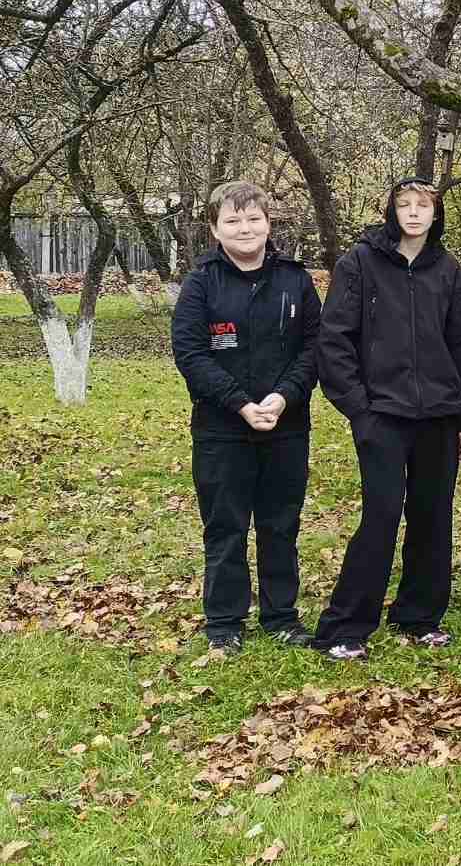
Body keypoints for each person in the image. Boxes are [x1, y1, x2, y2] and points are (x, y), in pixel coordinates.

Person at [313, 177, 461, 661]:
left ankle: (419, 616)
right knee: (381, 516)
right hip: (381, 414)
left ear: (436, 214)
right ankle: (345, 626)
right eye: (404, 205)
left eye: (423, 206)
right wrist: (358, 409)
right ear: (391, 212)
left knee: (432, 517)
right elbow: (335, 340)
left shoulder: (447, 270)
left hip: (439, 417)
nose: (413, 213)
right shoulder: (359, 263)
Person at [172, 181, 321, 654]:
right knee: (225, 526)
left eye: (253, 218)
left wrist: (284, 396)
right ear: (215, 228)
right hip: (221, 430)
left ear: (268, 224)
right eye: (233, 221)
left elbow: (315, 347)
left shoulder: (295, 281)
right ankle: (224, 624)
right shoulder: (201, 284)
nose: (245, 229)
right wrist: (239, 403)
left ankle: (281, 617)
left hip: (286, 425)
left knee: (281, 524)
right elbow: (191, 353)